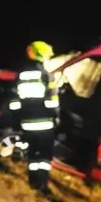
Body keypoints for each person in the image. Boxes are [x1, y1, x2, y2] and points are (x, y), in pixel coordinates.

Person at [13, 41, 59, 191]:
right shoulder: (47, 75)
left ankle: (33, 182)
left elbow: (15, 98)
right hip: (45, 122)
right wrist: (56, 116)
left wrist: (18, 116)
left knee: (33, 153)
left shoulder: (21, 74)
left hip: (27, 121)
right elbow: (52, 100)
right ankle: (43, 183)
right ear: (42, 56)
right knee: (45, 154)